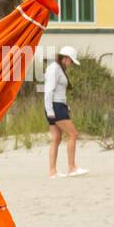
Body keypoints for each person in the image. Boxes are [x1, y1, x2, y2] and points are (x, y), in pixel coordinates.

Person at [44, 46, 88, 178]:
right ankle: (72, 167)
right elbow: (48, 91)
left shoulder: (59, 69)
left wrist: (65, 105)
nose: (72, 64)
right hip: (54, 107)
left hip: (58, 106)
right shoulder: (54, 69)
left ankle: (53, 172)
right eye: (71, 61)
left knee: (56, 138)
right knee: (73, 134)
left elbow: (59, 91)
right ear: (65, 58)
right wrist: (50, 110)